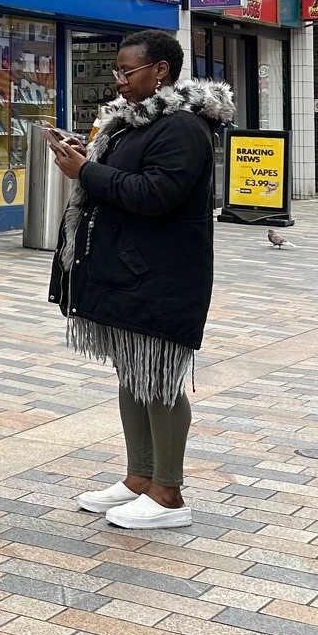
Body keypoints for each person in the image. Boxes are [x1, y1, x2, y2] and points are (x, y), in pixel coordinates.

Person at [46, 28, 232, 530]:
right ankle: (139, 480)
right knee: (134, 374)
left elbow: (155, 193)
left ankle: (169, 494)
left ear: (161, 72)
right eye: (116, 71)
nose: (120, 80)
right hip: (129, 273)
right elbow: (121, 180)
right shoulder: (131, 124)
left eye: (128, 71)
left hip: (162, 276)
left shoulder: (183, 128)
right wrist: (82, 156)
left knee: (160, 380)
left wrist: (84, 172)